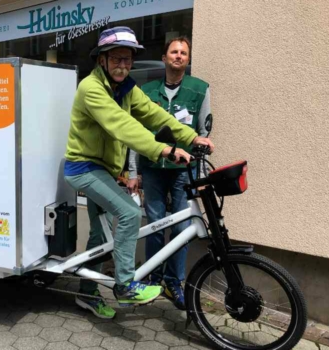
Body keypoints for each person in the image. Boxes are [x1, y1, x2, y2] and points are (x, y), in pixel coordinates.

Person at [64, 27, 214, 319]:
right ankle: (125, 285)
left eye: (128, 60)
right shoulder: (91, 88)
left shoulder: (126, 88)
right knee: (130, 214)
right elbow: (122, 125)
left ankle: (87, 293)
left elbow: (155, 114)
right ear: (102, 60)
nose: (123, 65)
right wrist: (164, 149)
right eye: (117, 59)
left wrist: (191, 137)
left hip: (103, 169)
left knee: (99, 236)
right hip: (83, 168)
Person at [127, 36, 211, 310]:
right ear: (164, 58)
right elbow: (134, 132)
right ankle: (153, 278)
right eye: (173, 52)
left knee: (180, 228)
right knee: (153, 226)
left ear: (187, 60)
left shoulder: (200, 89)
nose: (178, 56)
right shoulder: (146, 90)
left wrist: (198, 176)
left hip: (182, 171)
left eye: (183, 53)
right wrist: (133, 170)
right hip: (152, 168)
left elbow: (202, 134)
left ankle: (175, 282)